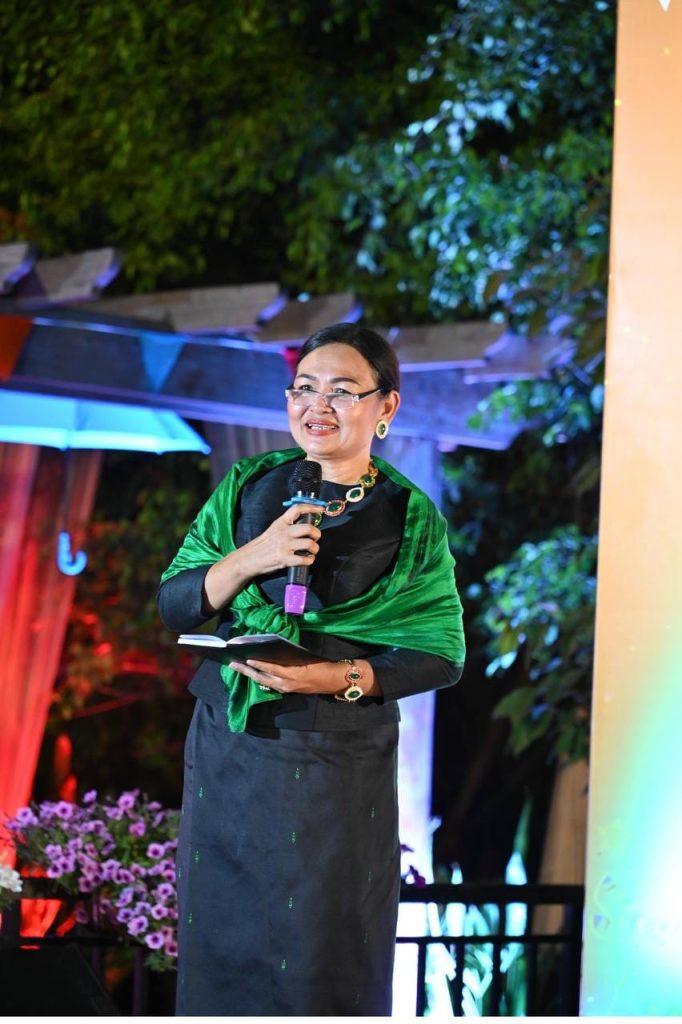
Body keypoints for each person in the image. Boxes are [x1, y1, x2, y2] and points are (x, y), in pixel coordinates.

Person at [157, 322, 465, 1016]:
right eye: (304, 388)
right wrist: (254, 557)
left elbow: (440, 654)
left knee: (321, 954)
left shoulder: (409, 517)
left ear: (385, 406)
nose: (317, 405)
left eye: (342, 391)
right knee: (222, 945)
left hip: (336, 761)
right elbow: (176, 603)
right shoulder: (250, 485)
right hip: (230, 747)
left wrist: (331, 678)